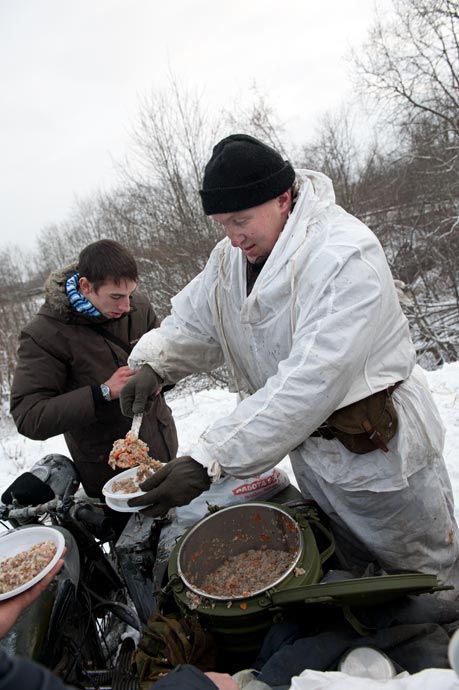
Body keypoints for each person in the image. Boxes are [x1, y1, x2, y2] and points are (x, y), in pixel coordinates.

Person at [119, 133, 459, 594]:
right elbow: (198, 322)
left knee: (425, 576)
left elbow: (311, 378)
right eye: (222, 223)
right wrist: (155, 363)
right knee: (354, 573)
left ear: (283, 199)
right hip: (316, 455)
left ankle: (444, 655)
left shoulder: (342, 253)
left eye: (241, 220)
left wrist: (211, 458)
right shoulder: (231, 259)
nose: (233, 236)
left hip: (379, 455)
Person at [10, 239, 178, 498]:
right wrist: (102, 392)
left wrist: (158, 377)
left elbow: (166, 358)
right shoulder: (43, 336)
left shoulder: (138, 306)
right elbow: (29, 417)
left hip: (163, 453)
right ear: (86, 286)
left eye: (129, 294)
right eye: (116, 297)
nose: (126, 306)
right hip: (110, 476)